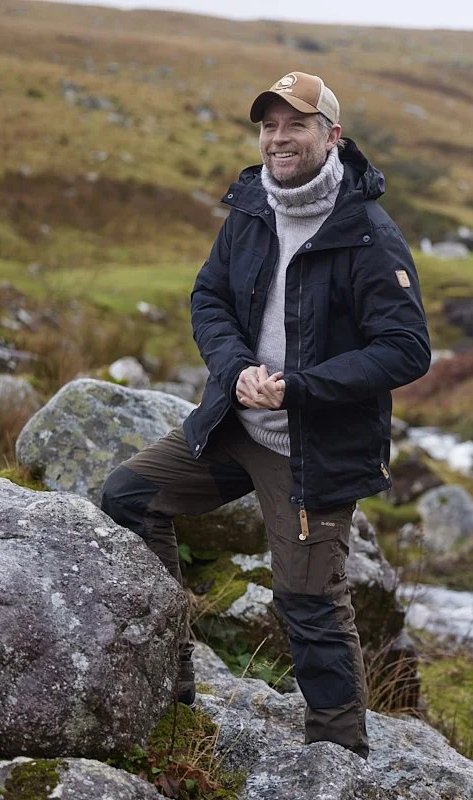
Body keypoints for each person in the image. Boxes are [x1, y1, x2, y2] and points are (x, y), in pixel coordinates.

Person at [100, 70, 431, 759]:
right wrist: (236, 370)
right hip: (235, 424)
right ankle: (171, 685)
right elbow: (209, 298)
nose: (279, 138)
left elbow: (406, 348)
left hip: (313, 450)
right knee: (129, 496)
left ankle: (339, 757)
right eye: (269, 125)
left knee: (308, 603)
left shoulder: (367, 233)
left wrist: (298, 388)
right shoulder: (252, 207)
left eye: (296, 125)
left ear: (331, 137)